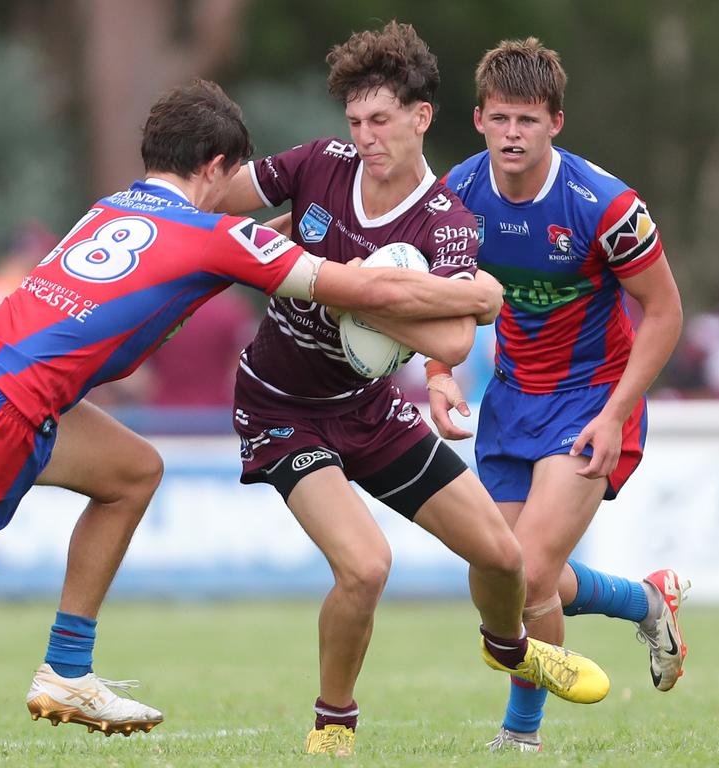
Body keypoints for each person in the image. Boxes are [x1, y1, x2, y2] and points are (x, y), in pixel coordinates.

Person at [0, 79, 504, 738]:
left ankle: (68, 668)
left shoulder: (112, 208)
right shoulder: (212, 236)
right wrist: (478, 296)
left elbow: (229, 253)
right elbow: (356, 285)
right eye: (233, 174)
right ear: (215, 167)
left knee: (131, 472)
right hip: (1, 411)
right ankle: (64, 669)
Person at [219, 22, 609, 756]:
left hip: (369, 409)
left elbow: (455, 341)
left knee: (503, 559)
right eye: (355, 122)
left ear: (421, 117)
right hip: (279, 407)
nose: (364, 137)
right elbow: (222, 202)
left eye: (381, 121)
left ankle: (508, 645)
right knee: (365, 567)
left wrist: (349, 290)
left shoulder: (446, 221)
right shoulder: (316, 165)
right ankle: (333, 726)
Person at [435, 39, 687, 752]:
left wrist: (614, 416)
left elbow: (664, 313)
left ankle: (520, 737)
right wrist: (436, 371)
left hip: (592, 397)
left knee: (533, 571)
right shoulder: (459, 194)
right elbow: (434, 292)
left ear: (556, 124)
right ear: (480, 119)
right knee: (498, 574)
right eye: (501, 118)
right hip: (512, 396)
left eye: (529, 120)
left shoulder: (605, 206)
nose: (513, 133)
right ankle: (642, 600)